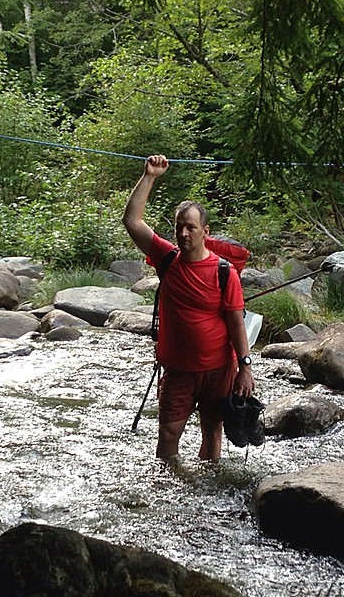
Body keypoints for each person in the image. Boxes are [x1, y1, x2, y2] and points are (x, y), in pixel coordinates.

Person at [123, 154, 255, 461]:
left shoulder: (224, 272)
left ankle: (205, 495)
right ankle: (168, 491)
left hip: (218, 369)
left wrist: (245, 368)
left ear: (205, 232)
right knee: (169, 432)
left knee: (212, 431)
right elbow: (132, 220)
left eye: (191, 228)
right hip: (178, 369)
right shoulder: (166, 259)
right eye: (179, 227)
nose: (183, 233)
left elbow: (236, 322)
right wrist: (150, 176)